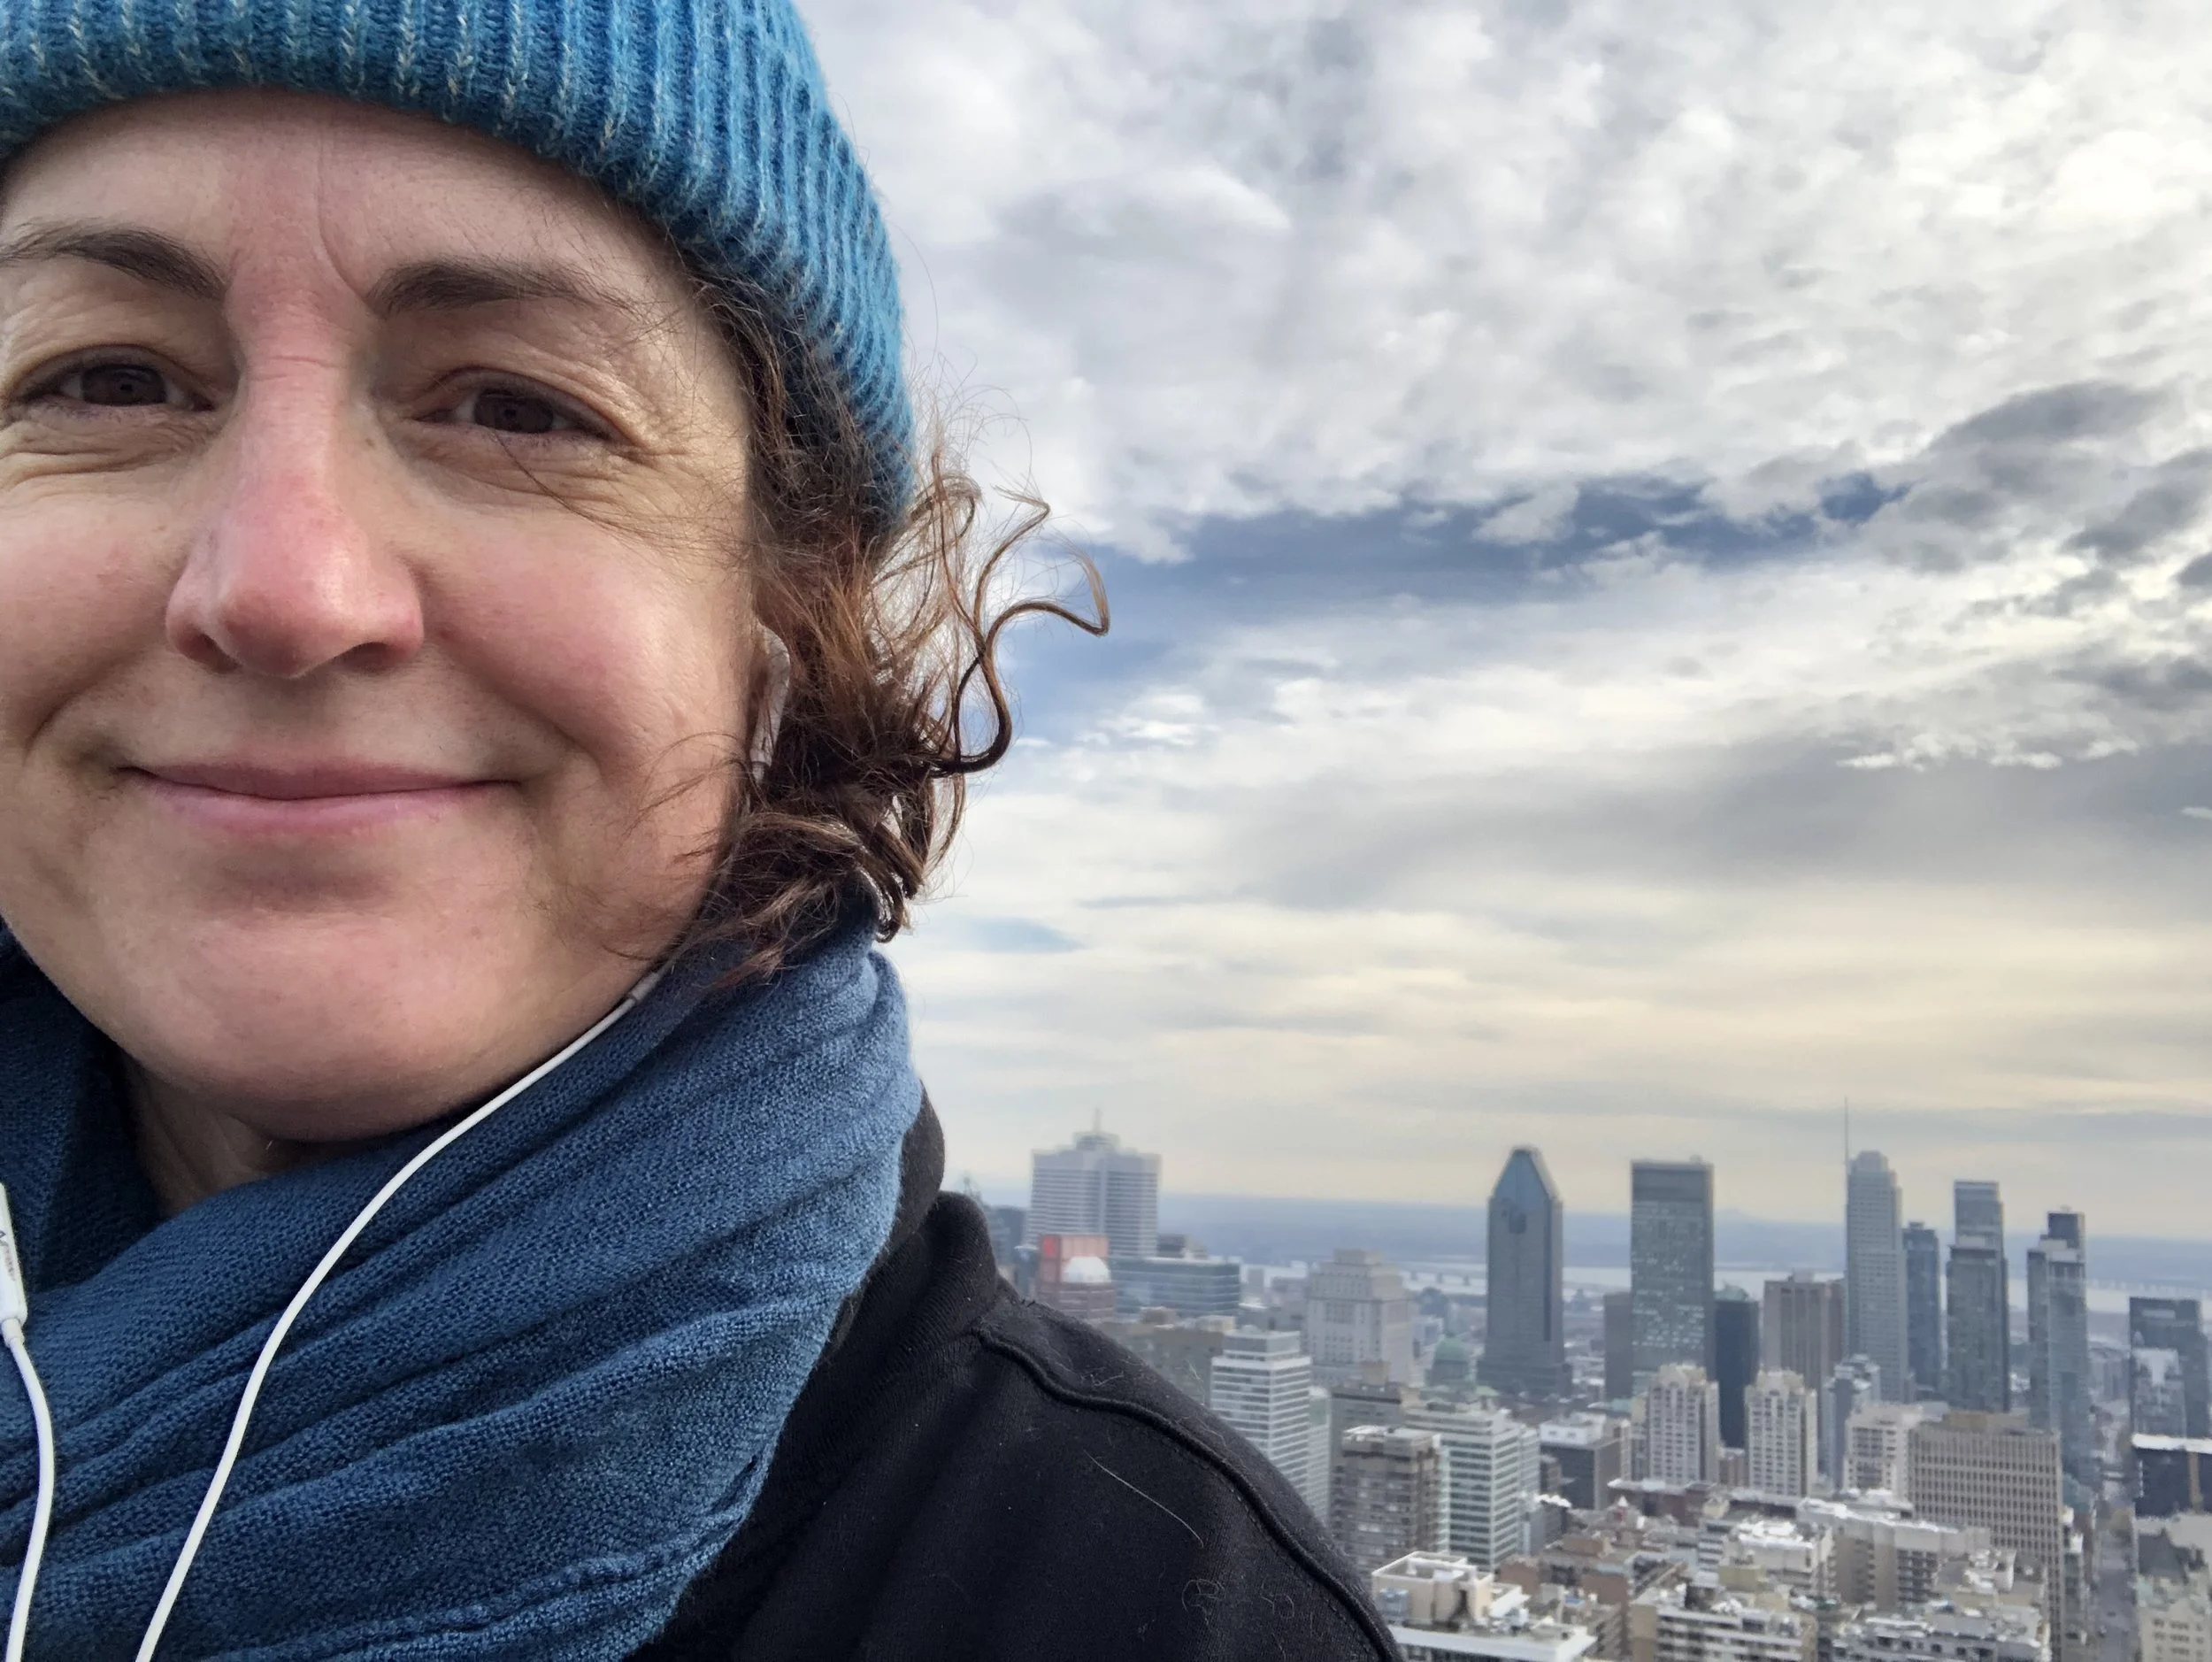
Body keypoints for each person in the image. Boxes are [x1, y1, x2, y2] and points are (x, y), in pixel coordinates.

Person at [0, 1, 1397, 1657]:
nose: (284, 587)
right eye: (106, 378)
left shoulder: (1152, 1608)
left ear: (771, 635)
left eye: (518, 407)